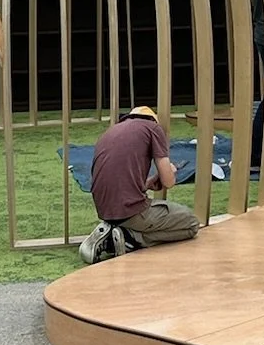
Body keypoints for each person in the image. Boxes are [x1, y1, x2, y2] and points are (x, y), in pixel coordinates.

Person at [78, 105, 201, 263]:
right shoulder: (153, 128)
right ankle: (129, 238)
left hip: (105, 210)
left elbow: (118, 178)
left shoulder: (111, 132)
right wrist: (170, 170)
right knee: (191, 223)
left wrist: (148, 183)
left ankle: (113, 231)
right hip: (131, 212)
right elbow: (169, 182)